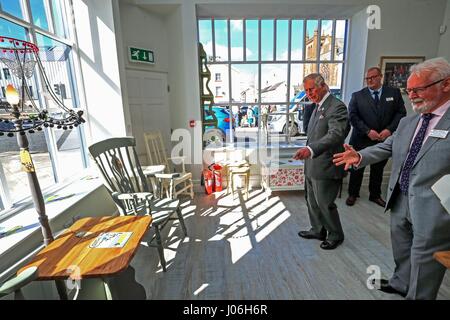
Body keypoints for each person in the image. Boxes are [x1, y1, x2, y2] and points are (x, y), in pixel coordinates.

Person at [333, 57, 450, 299]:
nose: (412, 95)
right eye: (409, 91)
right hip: (399, 198)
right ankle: (400, 283)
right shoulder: (410, 121)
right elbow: (387, 147)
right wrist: (360, 156)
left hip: (434, 208)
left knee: (425, 262)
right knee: (402, 248)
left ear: (446, 84)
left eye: (418, 89)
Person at [293, 73, 350, 250]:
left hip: (326, 164)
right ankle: (318, 229)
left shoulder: (337, 107)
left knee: (325, 203)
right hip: (312, 164)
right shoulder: (317, 106)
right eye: (306, 90)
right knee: (311, 201)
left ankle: (335, 234)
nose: (308, 93)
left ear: (323, 86)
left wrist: (310, 150)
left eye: (311, 89)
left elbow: (336, 134)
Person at [346, 67, 407, 207]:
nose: (370, 80)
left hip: (383, 139)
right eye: (367, 78)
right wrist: (367, 131)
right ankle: (353, 194)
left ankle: (375, 195)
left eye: (373, 77)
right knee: (357, 167)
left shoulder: (393, 93)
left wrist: (389, 130)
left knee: (378, 169)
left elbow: (401, 113)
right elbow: (353, 117)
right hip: (361, 138)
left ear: (380, 77)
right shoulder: (357, 95)